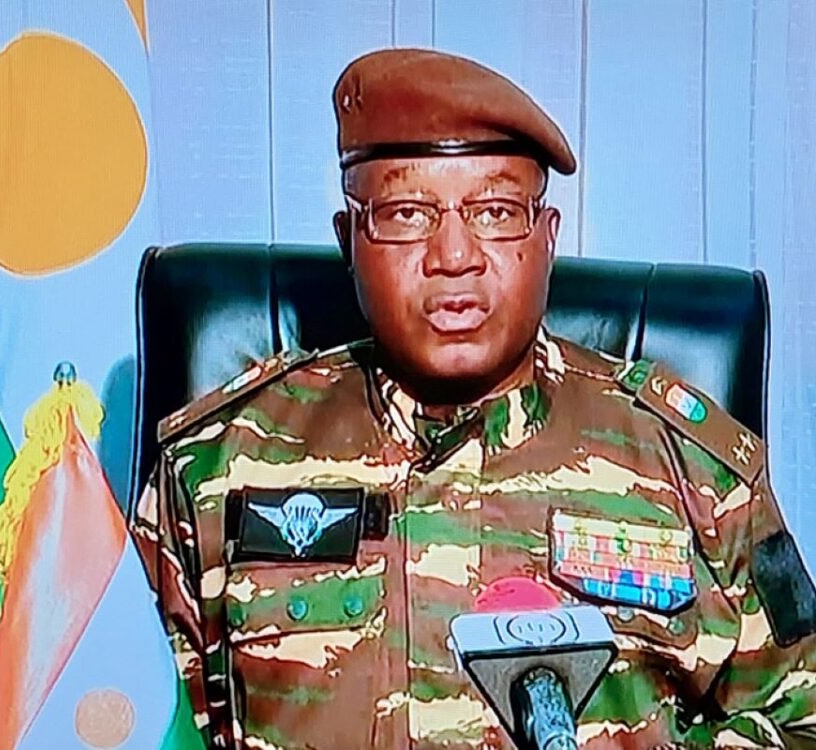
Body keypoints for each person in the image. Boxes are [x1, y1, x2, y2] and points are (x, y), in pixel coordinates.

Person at [132, 48, 816, 749]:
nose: (453, 255)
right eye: (406, 213)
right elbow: (131, 720)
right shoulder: (216, 467)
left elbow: (804, 719)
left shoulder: (694, 472)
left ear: (548, 238)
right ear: (349, 242)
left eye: (495, 211)